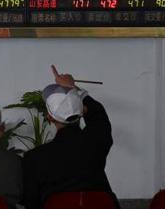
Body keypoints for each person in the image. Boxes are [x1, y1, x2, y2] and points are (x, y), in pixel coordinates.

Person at [22, 65, 119, 209]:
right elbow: (98, 114)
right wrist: (72, 87)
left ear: (50, 117)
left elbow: (31, 203)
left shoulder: (34, 158)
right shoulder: (97, 141)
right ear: (82, 112)